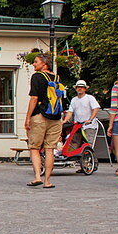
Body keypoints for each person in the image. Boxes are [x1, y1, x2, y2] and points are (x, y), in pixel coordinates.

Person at [24, 53, 63, 189]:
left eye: (36, 62)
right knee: (50, 149)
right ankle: (47, 181)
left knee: (34, 147)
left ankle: (37, 177)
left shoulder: (37, 76)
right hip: (55, 117)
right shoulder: (57, 77)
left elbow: (34, 98)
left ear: (44, 64)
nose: (33, 64)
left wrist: (28, 117)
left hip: (40, 115)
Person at [64, 80, 101, 146]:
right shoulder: (74, 100)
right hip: (77, 126)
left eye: (82, 87)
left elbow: (96, 108)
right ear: (76, 89)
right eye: (78, 87)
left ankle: (88, 156)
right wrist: (64, 121)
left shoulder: (90, 98)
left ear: (85, 89)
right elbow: (70, 112)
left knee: (88, 144)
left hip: (89, 126)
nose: (80, 88)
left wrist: (90, 119)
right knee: (75, 144)